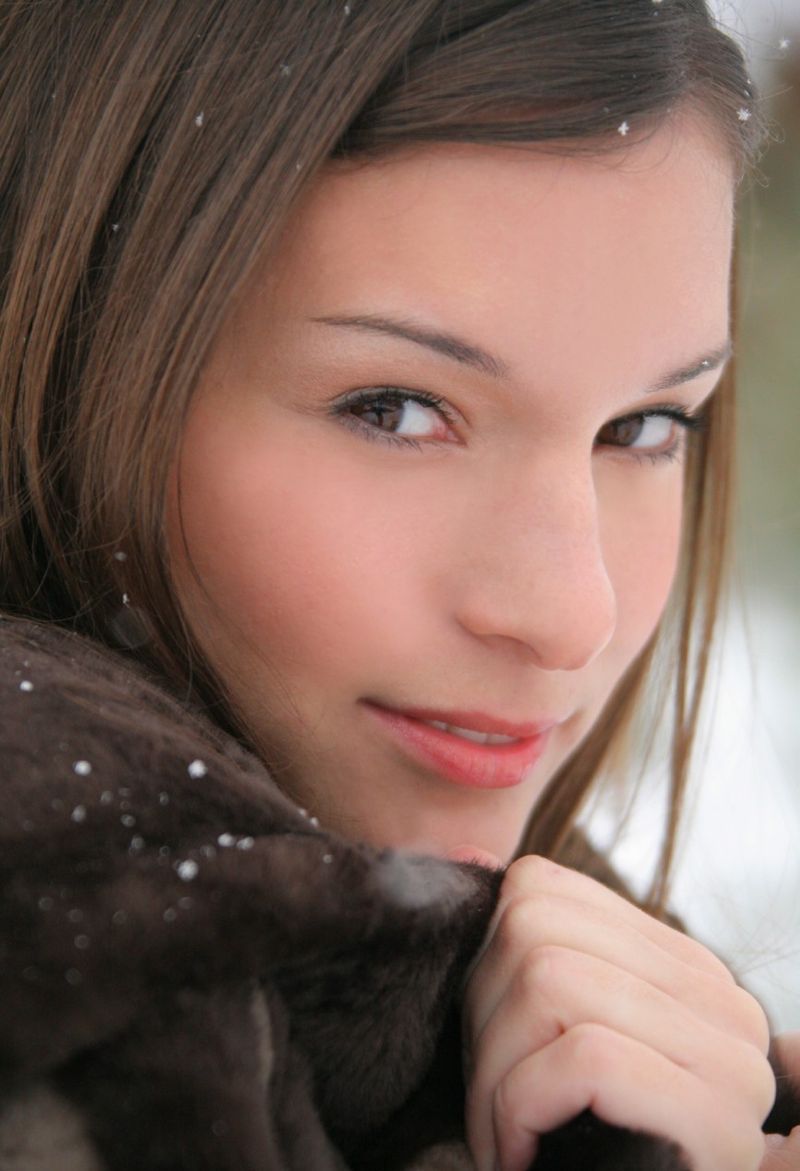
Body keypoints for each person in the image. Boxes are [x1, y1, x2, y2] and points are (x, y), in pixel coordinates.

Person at [0, 2, 797, 1169]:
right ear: (73, 361)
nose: (569, 615)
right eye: (397, 410)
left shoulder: (540, 1000)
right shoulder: (86, 1013)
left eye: (641, 426)